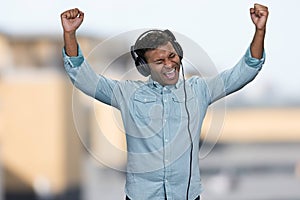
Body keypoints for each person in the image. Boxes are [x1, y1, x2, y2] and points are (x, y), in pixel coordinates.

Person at [60, 3, 268, 200]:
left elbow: (245, 71)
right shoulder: (127, 93)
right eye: (159, 61)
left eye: (172, 56)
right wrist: (70, 34)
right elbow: (83, 78)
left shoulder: (199, 91)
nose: (169, 64)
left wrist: (259, 31)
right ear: (144, 67)